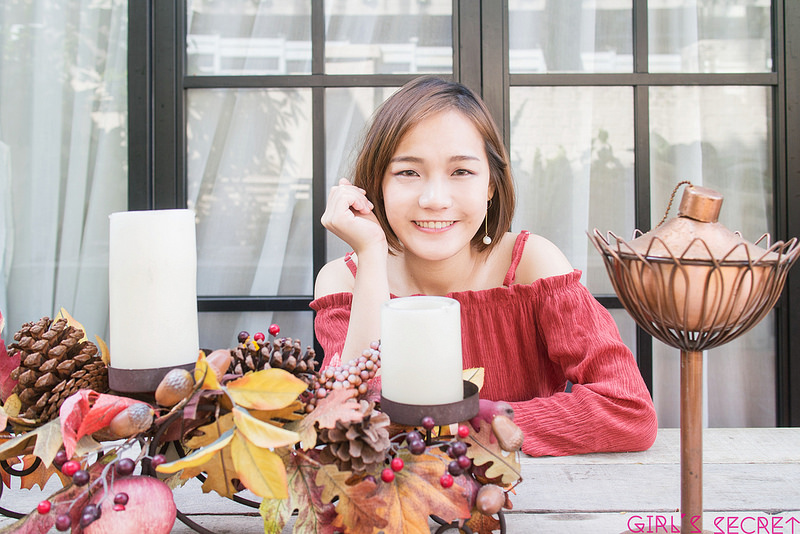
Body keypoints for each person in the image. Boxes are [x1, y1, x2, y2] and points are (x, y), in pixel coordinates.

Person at [310, 76, 657, 457]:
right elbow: (348, 423)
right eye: (408, 172)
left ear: (491, 185)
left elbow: (627, 409)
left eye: (461, 172)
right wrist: (372, 253)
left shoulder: (530, 266)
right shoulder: (345, 279)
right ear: (377, 184)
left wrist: (467, 422)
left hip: (532, 490)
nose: (434, 199)